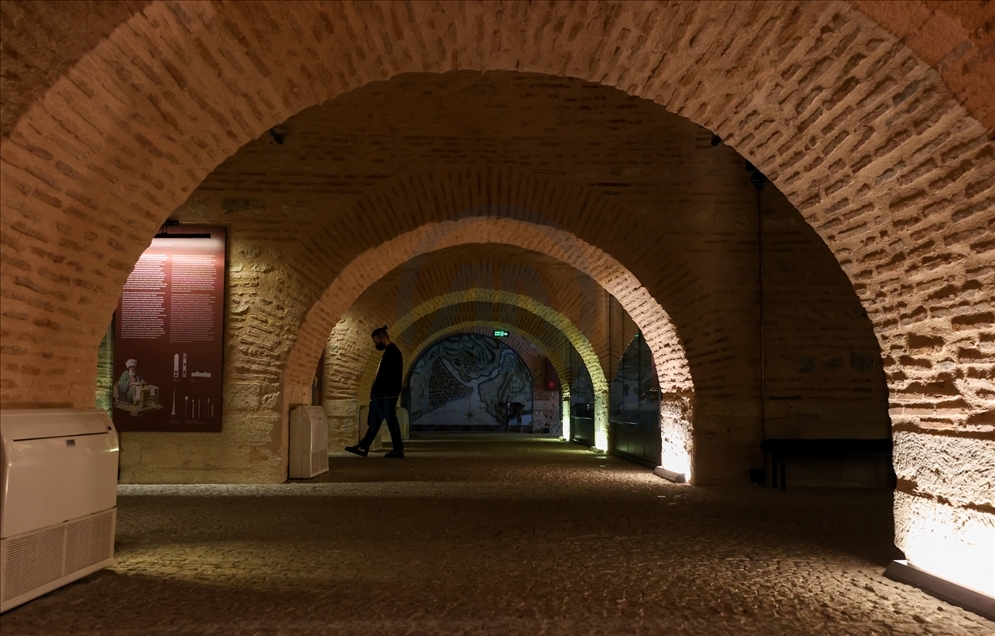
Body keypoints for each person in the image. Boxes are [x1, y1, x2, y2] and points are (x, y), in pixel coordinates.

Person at [346, 326, 405, 458]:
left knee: (383, 421)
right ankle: (365, 446)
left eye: (376, 342)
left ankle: (394, 448)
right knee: (380, 421)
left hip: (385, 395)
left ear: (383, 339)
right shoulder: (393, 352)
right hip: (388, 395)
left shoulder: (392, 353)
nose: (376, 345)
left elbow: (385, 376)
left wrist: (376, 394)